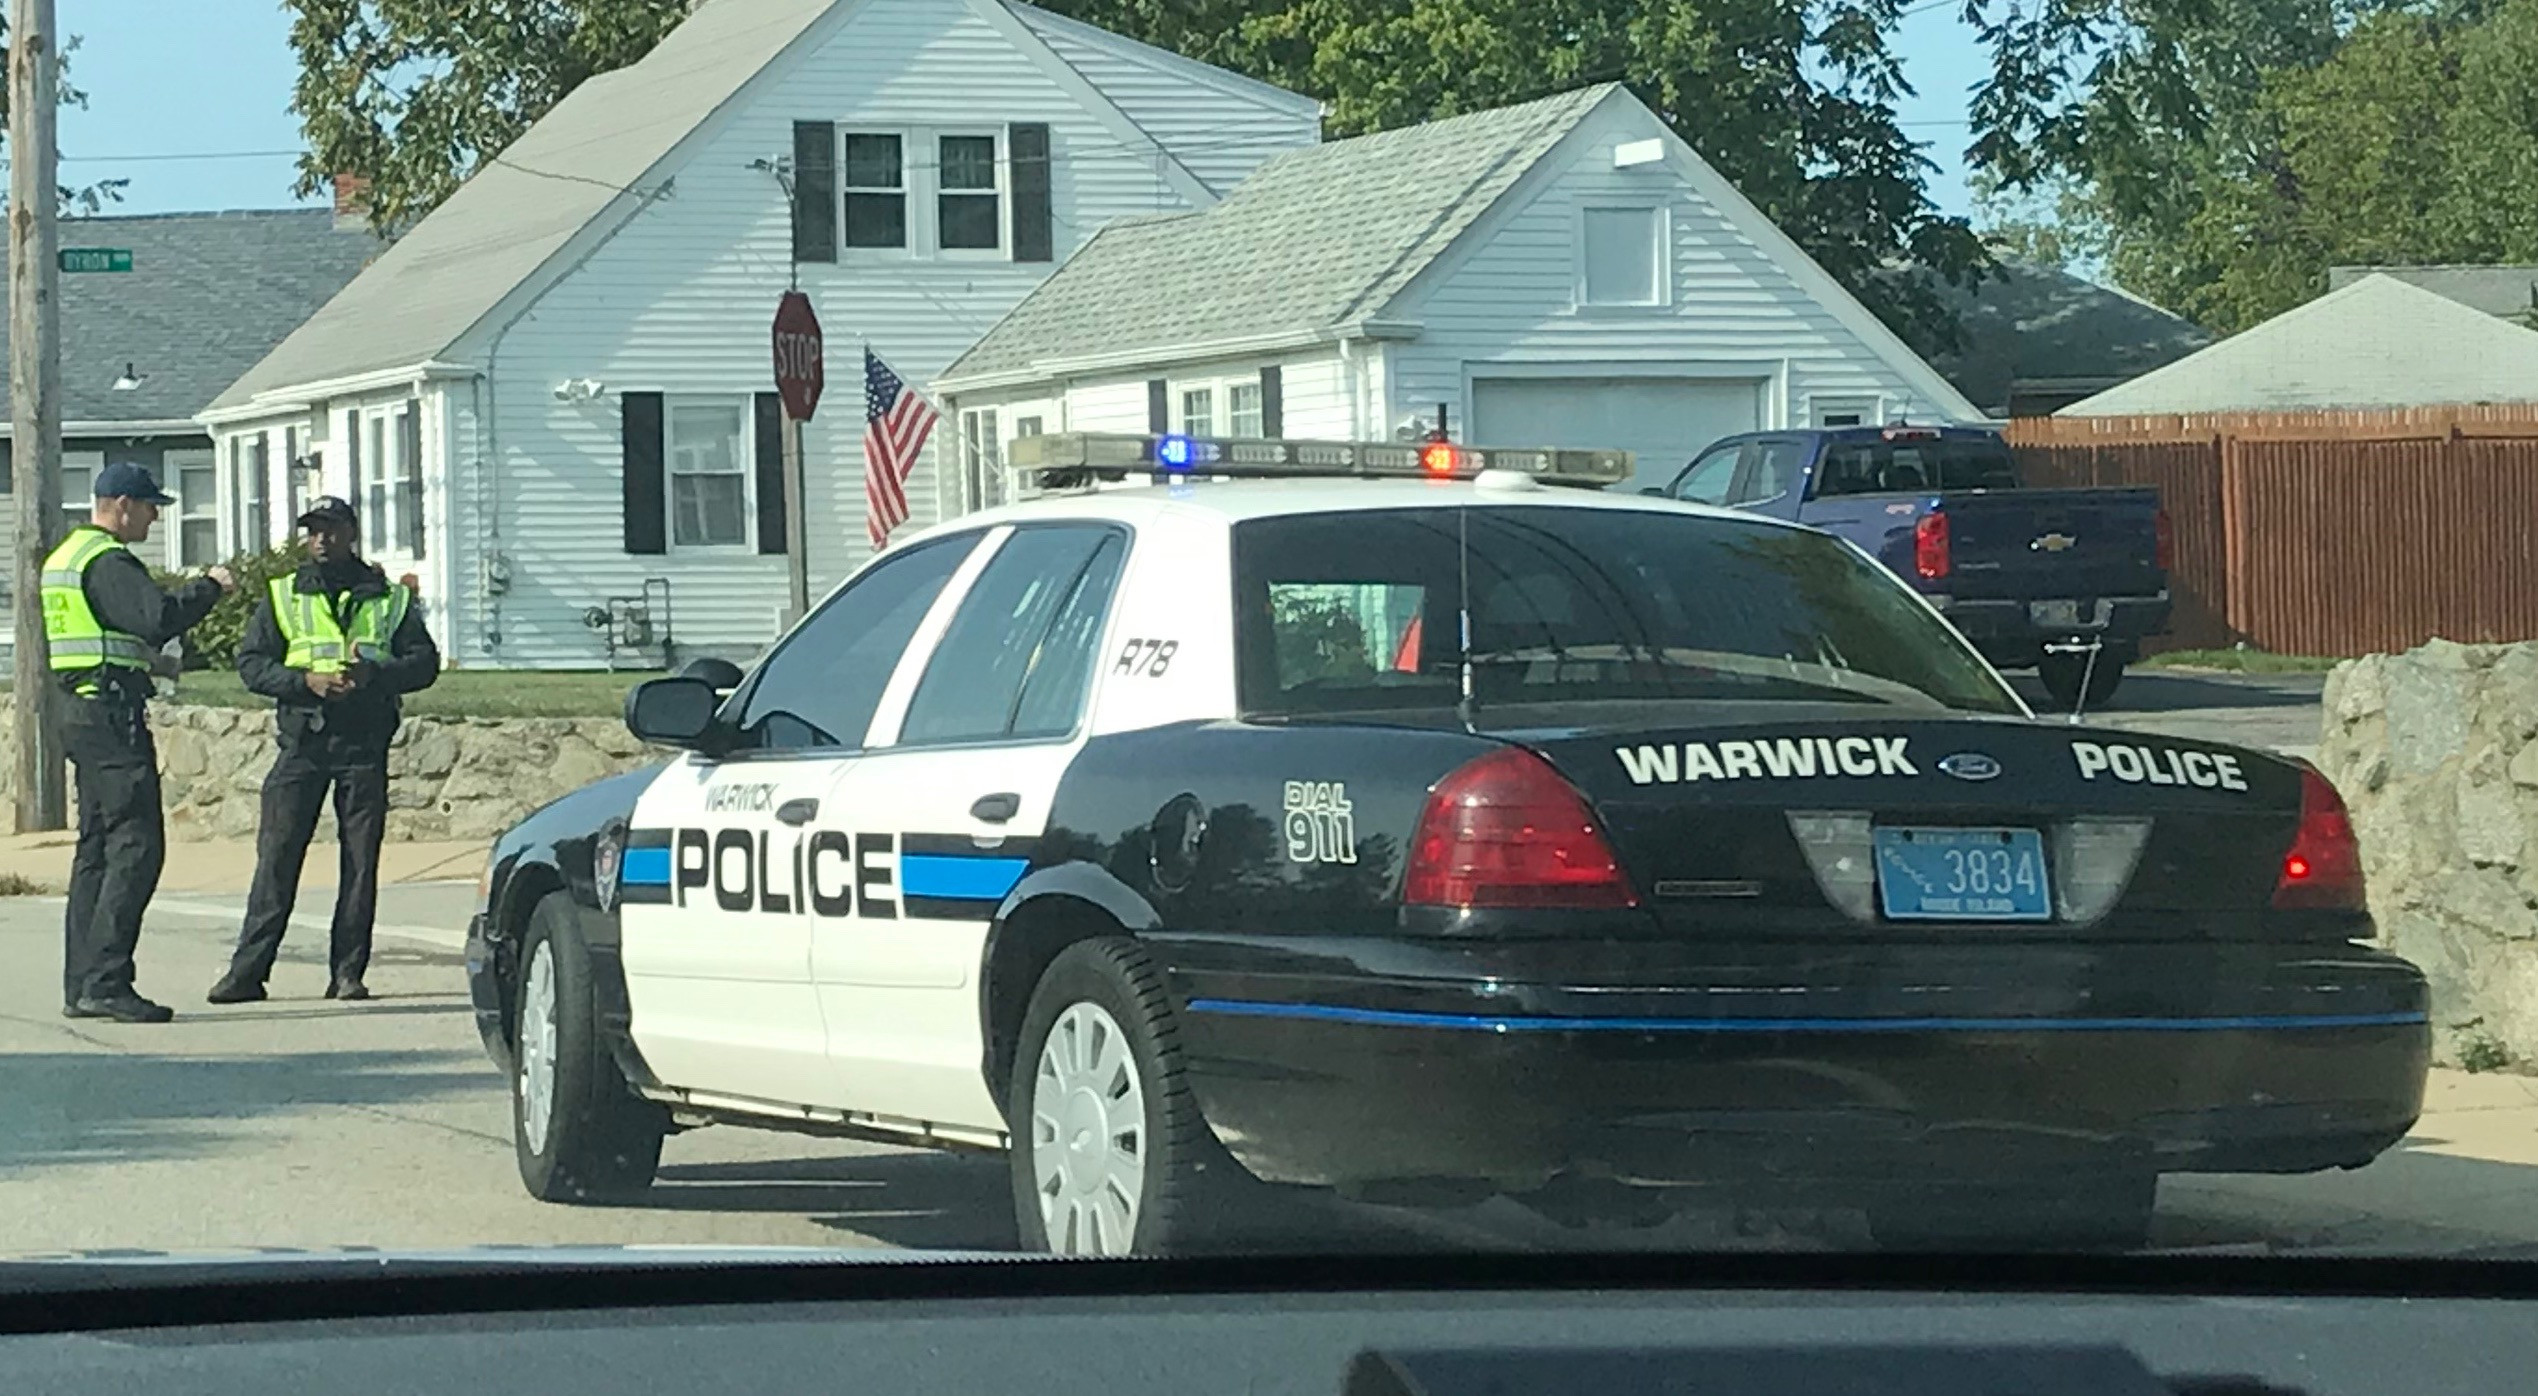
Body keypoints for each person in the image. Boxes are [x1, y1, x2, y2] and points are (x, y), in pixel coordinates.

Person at [209, 496, 438, 1005]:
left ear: (351, 532)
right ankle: (248, 973)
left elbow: (424, 663)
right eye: (312, 530)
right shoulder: (284, 594)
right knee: (277, 857)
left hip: (363, 741)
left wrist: (374, 674)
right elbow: (251, 663)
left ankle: (348, 974)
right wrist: (303, 682)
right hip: (303, 740)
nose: (320, 539)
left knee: (359, 864)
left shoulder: (387, 598)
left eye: (330, 529)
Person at [47, 462, 234, 1024]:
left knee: (97, 849)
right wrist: (211, 588)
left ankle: (82, 982)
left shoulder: (65, 557)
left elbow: (106, 634)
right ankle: (106, 980)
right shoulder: (106, 560)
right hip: (109, 715)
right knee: (136, 844)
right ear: (122, 504)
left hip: (79, 709)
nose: (155, 517)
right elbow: (156, 617)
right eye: (150, 507)